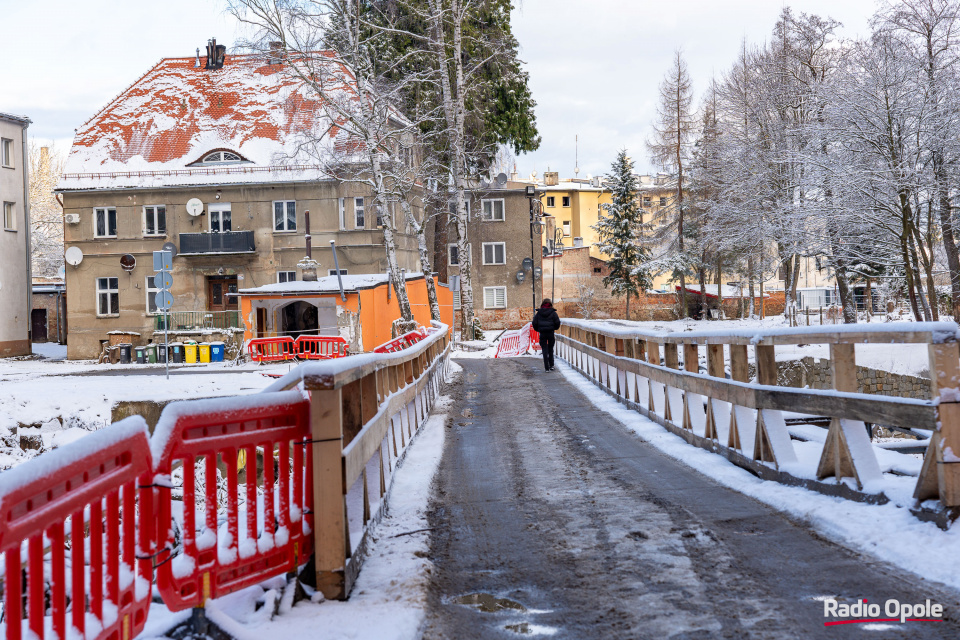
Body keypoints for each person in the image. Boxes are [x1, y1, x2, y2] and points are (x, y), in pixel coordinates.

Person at [532, 299, 561, 371]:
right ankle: (551, 365)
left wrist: (538, 329)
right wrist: (554, 328)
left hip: (542, 333)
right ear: (550, 304)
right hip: (550, 332)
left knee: (544, 348)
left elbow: (534, 323)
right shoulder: (553, 313)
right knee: (550, 348)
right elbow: (557, 322)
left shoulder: (539, 313)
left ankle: (546, 367)